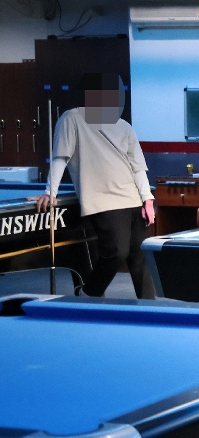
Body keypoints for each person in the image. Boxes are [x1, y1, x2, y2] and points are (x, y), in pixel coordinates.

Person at [38, 72, 155, 298]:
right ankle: (89, 292)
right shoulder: (71, 119)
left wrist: (147, 199)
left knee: (140, 258)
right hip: (104, 201)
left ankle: (150, 307)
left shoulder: (123, 126)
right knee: (117, 252)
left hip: (133, 199)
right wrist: (50, 192)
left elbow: (138, 168)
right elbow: (60, 157)